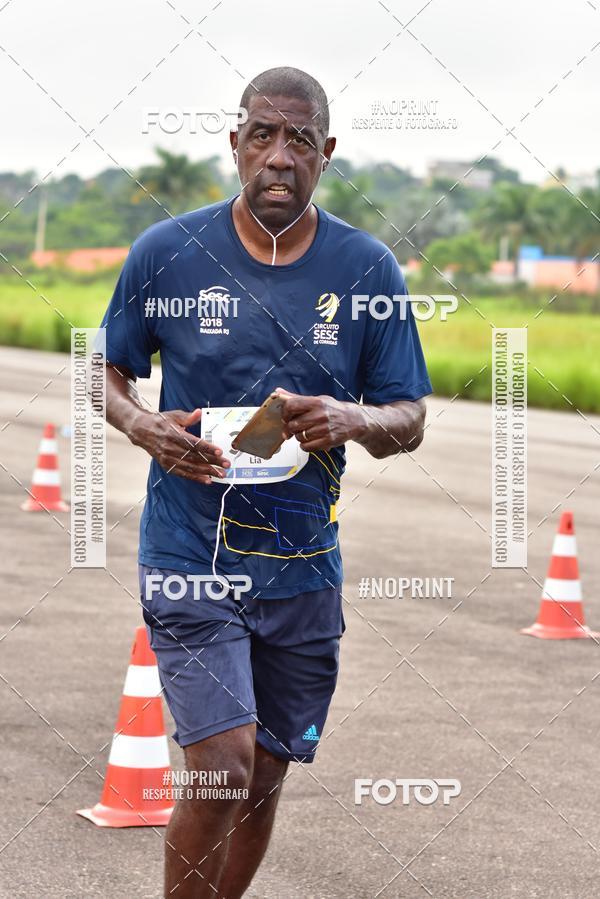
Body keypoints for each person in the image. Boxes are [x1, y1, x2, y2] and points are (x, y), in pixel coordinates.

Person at [102, 65, 432, 898]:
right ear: (235, 144)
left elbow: (410, 417)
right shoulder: (167, 254)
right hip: (191, 550)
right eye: (262, 135)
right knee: (222, 764)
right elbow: (107, 373)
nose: (279, 156)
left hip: (304, 563)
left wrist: (353, 418)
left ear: (326, 151)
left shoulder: (368, 270)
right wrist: (142, 425)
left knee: (263, 775)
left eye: (298, 140)